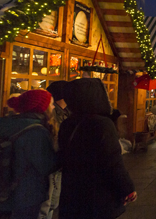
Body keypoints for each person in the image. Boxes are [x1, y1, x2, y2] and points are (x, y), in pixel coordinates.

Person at [58, 78, 136, 218]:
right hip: (98, 194)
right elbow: (113, 161)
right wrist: (127, 188)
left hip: (73, 193)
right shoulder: (102, 124)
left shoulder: (68, 123)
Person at [0, 90, 56, 219]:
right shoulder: (37, 132)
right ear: (42, 108)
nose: (53, 107)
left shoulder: (4, 123)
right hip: (25, 196)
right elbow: (46, 165)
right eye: (51, 104)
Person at [39, 81, 69, 219]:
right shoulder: (52, 114)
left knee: (51, 201)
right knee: (49, 201)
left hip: (56, 163)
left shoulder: (63, 111)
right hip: (52, 163)